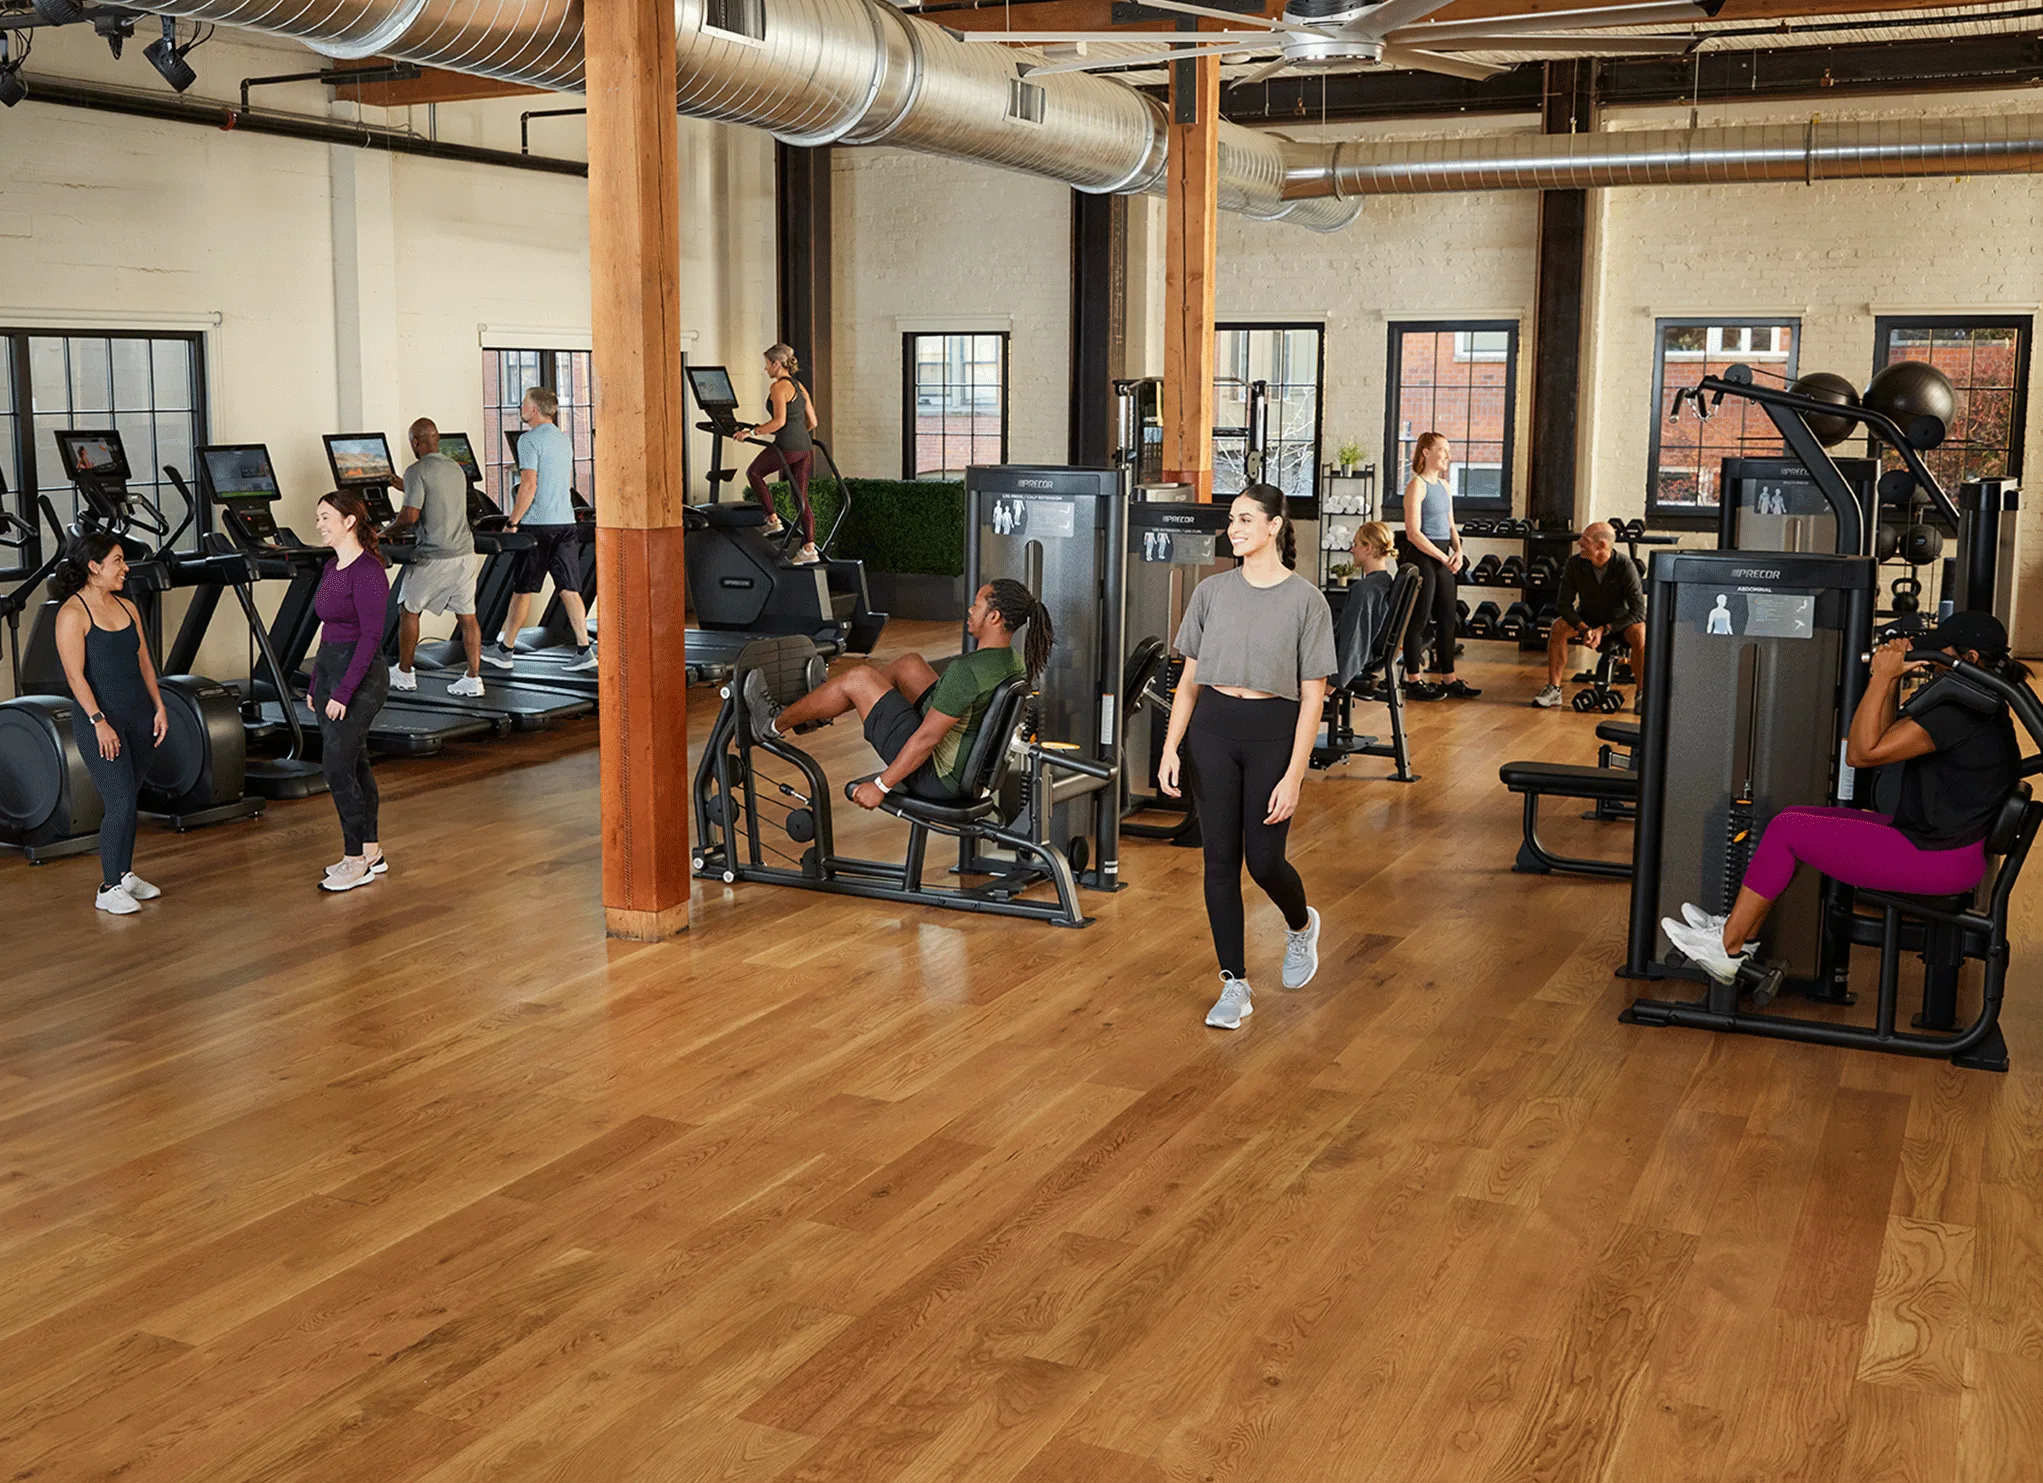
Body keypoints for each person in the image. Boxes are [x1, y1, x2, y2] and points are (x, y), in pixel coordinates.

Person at [1661, 613, 2026, 983]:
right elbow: (1882, 738)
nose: (1931, 661)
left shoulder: (1960, 715)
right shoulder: (1979, 705)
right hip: (1942, 846)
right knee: (1790, 818)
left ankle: (1728, 946)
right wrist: (1888, 682)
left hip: (1937, 858)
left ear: (1972, 659)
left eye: (1940, 652)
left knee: (1788, 831)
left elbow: (1862, 753)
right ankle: (1743, 936)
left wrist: (1882, 677)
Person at [1157, 483, 1337, 1031]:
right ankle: (1234, 983)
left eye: (1243, 519)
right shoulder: (1211, 593)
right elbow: (1189, 681)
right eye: (1231, 520)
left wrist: (1295, 776)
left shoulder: (1308, 600)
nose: (1233, 529)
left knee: (1263, 862)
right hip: (1211, 729)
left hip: (1271, 734)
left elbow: (1313, 696)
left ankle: (1300, 924)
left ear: (1275, 525)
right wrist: (1170, 745)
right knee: (1218, 864)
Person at [746, 579, 1052, 805]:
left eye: (977, 604)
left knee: (859, 678)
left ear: (994, 617)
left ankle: (772, 723)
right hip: (962, 764)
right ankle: (819, 707)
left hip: (935, 777)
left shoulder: (967, 673)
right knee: (908, 665)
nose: (970, 610)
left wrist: (881, 785)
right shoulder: (1012, 662)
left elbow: (927, 738)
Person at [51, 530, 168, 915]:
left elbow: (144, 662)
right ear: (94, 567)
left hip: (139, 717)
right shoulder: (72, 613)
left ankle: (125, 873)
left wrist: (160, 707)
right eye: (118, 560)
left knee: (129, 800)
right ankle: (108, 886)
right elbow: (75, 677)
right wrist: (99, 721)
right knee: (118, 802)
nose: (125, 568)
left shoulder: (128, 606)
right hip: (102, 723)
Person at [309, 491, 393, 893]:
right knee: (355, 763)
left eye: (326, 517)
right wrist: (316, 684)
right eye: (318, 517)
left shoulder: (369, 572)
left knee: (336, 766)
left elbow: (370, 638)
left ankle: (354, 858)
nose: (320, 524)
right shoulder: (331, 567)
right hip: (330, 671)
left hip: (362, 677)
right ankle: (371, 850)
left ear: (349, 521)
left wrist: (342, 693)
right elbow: (327, 631)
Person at [484, 386, 595, 674]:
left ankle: (505, 650)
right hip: (565, 522)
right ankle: (585, 649)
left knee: (523, 590)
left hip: (538, 527)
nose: (521, 408)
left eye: (523, 404)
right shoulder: (563, 439)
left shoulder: (528, 440)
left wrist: (512, 522)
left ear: (534, 410)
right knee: (569, 589)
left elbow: (529, 485)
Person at [385, 417, 484, 698]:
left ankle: (404, 673)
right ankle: (473, 678)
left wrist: (384, 533)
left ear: (415, 443)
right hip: (464, 554)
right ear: (437, 440)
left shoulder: (417, 469)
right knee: (468, 618)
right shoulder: (455, 468)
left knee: (408, 608)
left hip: (434, 556)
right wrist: (405, 486)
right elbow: (438, 494)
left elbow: (409, 516)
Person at [1534, 520, 1647, 709]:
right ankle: (1554, 689)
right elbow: (1563, 605)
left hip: (1619, 624)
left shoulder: (1625, 566)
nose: (1579, 543)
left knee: (1640, 632)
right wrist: (1584, 628)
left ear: (1601, 545)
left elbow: (1638, 611)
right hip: (1587, 620)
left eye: (1585, 540)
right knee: (1558, 627)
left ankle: (1642, 694)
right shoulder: (1574, 564)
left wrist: (1605, 629)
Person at [1401, 432, 1478, 700]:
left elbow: (1451, 524)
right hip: (1423, 557)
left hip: (1444, 556)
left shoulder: (1444, 486)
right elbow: (1413, 533)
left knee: (1448, 619)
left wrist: (1458, 550)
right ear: (1425, 452)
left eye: (1448, 450)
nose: (1448, 455)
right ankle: (1413, 681)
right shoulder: (1417, 486)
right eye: (1443, 450)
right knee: (1418, 620)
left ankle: (1449, 678)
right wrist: (1443, 557)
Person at [732, 343, 823, 566]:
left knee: (754, 472)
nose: (766, 370)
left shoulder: (778, 387)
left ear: (776, 363)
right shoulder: (800, 387)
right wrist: (797, 435)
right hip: (805, 447)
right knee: (800, 497)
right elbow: (813, 421)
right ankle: (809, 548)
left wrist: (750, 432)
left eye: (767, 365)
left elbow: (779, 421)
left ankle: (772, 519)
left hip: (787, 446)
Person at [1333, 520, 1396, 695]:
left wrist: (1335, 681)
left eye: (1356, 544)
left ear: (1368, 548)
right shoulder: (1384, 582)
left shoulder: (1364, 590)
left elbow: (1354, 640)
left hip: (1347, 664)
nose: (1353, 550)